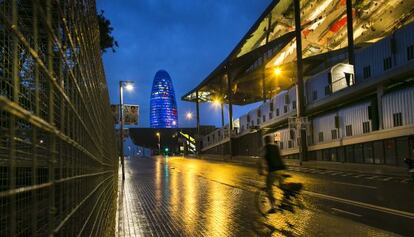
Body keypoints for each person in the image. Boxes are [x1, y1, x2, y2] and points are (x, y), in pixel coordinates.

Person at [259, 135, 286, 213]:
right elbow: (280, 157)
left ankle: (273, 207)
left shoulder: (265, 148)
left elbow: (261, 160)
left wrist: (261, 170)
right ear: (271, 140)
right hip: (281, 169)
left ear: (265, 141)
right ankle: (285, 201)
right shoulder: (276, 147)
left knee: (269, 188)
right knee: (282, 187)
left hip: (273, 170)